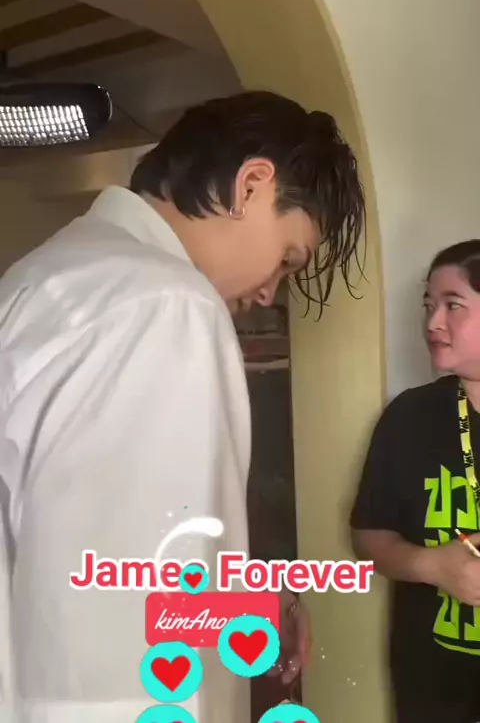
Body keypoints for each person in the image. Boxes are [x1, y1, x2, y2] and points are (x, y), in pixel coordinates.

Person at [0, 90, 365, 723]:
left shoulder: (52, 274)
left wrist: (249, 601)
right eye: (287, 258)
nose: (268, 292)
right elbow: (121, 655)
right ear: (251, 186)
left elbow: (94, 570)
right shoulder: (166, 305)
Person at [350, 240, 480, 723]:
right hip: (432, 686)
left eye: (453, 305)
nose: (432, 323)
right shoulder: (409, 416)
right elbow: (367, 536)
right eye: (428, 306)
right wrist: (433, 566)